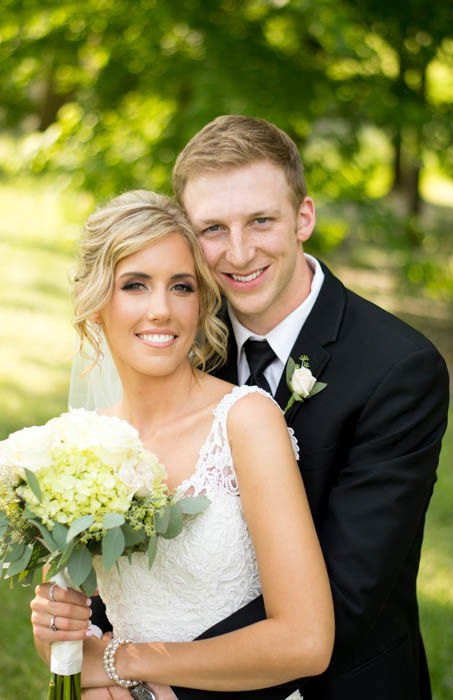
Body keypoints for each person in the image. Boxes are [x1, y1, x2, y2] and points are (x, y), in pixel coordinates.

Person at [63, 114, 448, 699]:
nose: (239, 253)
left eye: (261, 221)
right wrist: (83, 629)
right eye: (213, 228)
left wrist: (139, 676)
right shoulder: (177, 331)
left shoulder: (398, 370)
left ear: (303, 217)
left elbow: (350, 595)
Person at [30, 190, 334, 699]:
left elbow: (306, 642)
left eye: (181, 286)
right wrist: (53, 627)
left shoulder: (245, 421)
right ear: (96, 300)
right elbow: (69, 653)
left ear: (202, 301)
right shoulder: (77, 445)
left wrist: (122, 663)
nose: (161, 311)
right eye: (135, 285)